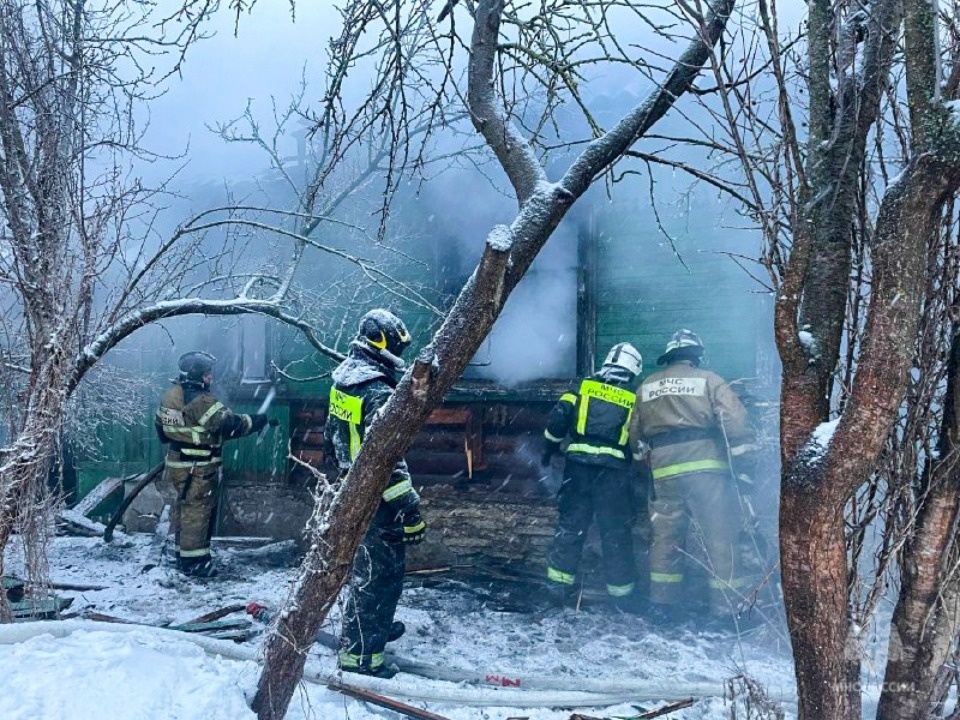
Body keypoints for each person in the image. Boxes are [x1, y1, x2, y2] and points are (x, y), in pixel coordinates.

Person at [323, 309, 426, 679]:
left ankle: (373, 631)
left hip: (352, 489)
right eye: (397, 343)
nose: (400, 349)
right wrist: (409, 508)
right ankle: (363, 658)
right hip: (377, 500)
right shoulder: (378, 391)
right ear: (382, 342)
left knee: (368, 572)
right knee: (380, 576)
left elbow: (331, 438)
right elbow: (388, 460)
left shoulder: (343, 383)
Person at [631, 329, 756, 627]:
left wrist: (645, 466)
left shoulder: (647, 386)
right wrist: (745, 464)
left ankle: (662, 605)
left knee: (665, 537)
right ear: (695, 356)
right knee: (719, 536)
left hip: (662, 471)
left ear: (669, 357)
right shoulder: (709, 380)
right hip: (706, 468)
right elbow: (734, 422)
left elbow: (634, 436)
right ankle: (726, 612)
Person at [541, 342, 644, 613]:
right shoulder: (634, 397)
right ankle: (623, 597)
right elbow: (639, 437)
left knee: (571, 527)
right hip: (613, 474)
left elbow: (558, 419)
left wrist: (550, 446)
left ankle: (558, 589)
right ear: (633, 370)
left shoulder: (582, 386)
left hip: (578, 469)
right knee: (616, 533)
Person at [155, 351, 275, 578]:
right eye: (207, 374)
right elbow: (228, 425)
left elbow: (162, 430)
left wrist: (191, 437)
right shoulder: (202, 401)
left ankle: (184, 557)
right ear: (196, 375)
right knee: (197, 514)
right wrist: (257, 420)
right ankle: (196, 564)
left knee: (185, 511)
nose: (210, 378)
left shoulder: (171, 395)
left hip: (177, 466)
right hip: (198, 469)